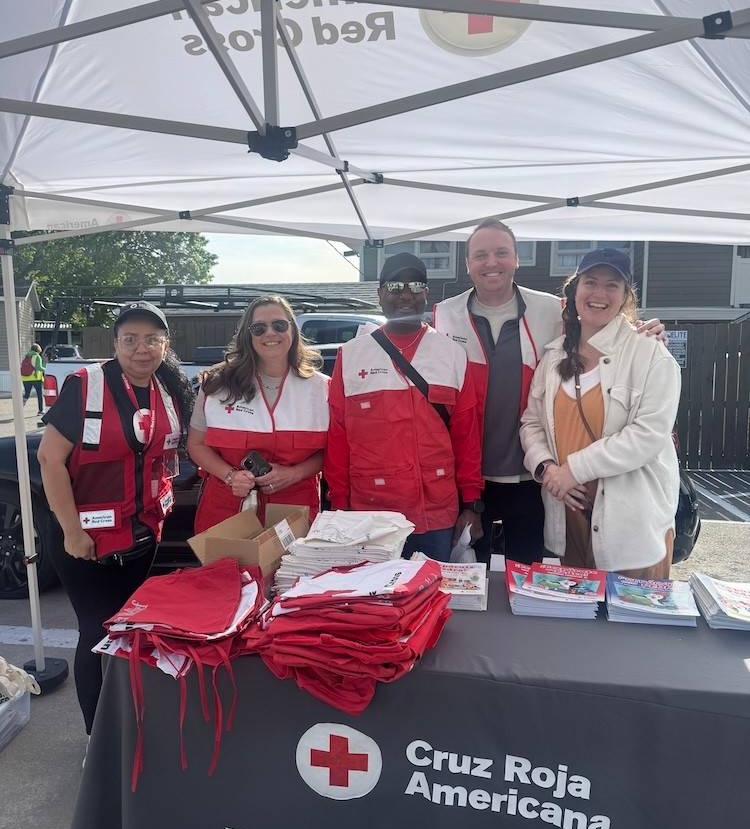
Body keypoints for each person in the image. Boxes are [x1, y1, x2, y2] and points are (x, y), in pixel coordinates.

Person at [433, 219, 665, 564]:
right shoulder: (445, 314)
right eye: (480, 255)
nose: (491, 262)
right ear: (467, 263)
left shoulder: (549, 309)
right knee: (469, 582)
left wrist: (642, 331)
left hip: (533, 475)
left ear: (517, 259)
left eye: (501, 253)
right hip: (468, 479)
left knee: (527, 580)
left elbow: (598, 322)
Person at [37, 301, 191, 735]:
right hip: (84, 540)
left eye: (152, 339)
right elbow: (50, 460)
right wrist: (72, 531)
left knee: (129, 628)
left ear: (165, 344)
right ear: (116, 343)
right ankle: (95, 737)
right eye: (131, 339)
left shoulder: (171, 388)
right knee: (96, 631)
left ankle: (129, 719)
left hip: (142, 536)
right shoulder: (85, 384)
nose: (141, 349)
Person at [519, 248, 681, 576]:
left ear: (625, 297)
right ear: (574, 290)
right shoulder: (553, 357)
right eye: (590, 282)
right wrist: (547, 469)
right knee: (579, 622)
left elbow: (647, 435)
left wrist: (573, 470)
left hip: (631, 528)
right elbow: (531, 422)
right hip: (571, 519)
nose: (599, 294)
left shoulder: (650, 354)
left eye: (612, 285)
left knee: (633, 625)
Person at [325, 252, 483, 561]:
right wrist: (340, 509)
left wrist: (472, 505)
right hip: (370, 513)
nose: (405, 294)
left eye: (415, 285)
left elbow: (467, 438)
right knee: (374, 601)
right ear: (380, 293)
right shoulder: (352, 356)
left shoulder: (451, 355)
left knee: (433, 601)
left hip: (435, 513)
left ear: (427, 292)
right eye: (395, 285)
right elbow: (338, 439)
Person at [188, 295, 329, 533]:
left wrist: (294, 474)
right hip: (226, 507)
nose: (270, 333)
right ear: (248, 335)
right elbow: (196, 445)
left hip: (294, 508)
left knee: (291, 570)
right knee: (224, 571)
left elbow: (331, 453)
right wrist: (231, 476)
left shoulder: (323, 388)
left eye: (279, 325)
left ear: (292, 330)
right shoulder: (215, 384)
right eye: (259, 328)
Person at [21, 343, 44, 416]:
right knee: (39, 394)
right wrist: (47, 369)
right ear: (38, 350)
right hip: (35, 378)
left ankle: (20, 408)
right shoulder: (37, 356)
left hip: (25, 378)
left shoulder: (26, 356)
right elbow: (38, 367)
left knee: (27, 394)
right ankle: (40, 411)